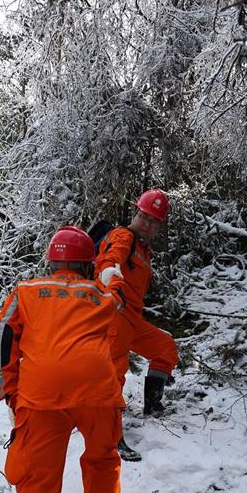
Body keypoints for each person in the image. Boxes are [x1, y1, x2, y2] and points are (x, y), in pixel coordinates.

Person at [0, 226, 126, 493]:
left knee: (36, 492)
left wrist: (11, 394)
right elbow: (120, 302)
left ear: (51, 260)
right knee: (103, 457)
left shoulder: (25, 292)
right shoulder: (101, 294)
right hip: (98, 391)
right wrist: (112, 274)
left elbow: (1, 339)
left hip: (42, 396)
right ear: (86, 264)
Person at [93, 188, 179, 462]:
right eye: (145, 217)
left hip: (132, 320)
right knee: (114, 374)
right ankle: (110, 438)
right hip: (115, 315)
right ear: (136, 213)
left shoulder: (143, 248)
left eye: (154, 221)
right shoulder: (123, 236)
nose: (148, 224)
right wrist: (109, 275)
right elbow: (109, 261)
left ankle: (153, 405)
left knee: (164, 347)